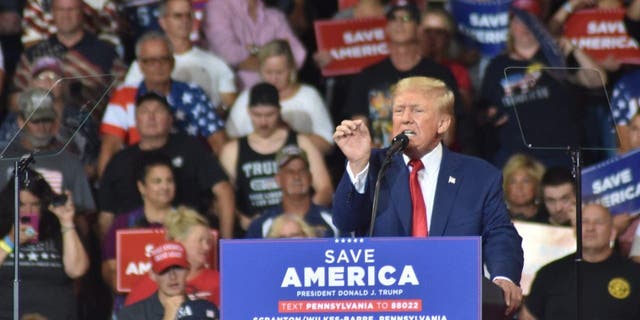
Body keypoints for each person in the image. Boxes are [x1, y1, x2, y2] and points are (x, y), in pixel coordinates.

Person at [333, 76, 524, 316]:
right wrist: (358, 164)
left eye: (417, 110)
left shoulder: (479, 176)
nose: (405, 118)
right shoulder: (373, 167)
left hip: (453, 303)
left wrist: (504, 277)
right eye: (399, 110)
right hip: (387, 306)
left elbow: (500, 233)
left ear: (443, 123)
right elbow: (344, 221)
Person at [478, 6, 605, 168]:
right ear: (510, 27)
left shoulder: (558, 58)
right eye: (520, 21)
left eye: (531, 21)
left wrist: (574, 48)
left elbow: (598, 80)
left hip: (562, 155)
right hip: (518, 159)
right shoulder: (497, 66)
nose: (526, 27)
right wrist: (489, 115)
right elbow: (482, 111)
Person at [98, 92, 234, 240]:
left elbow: (224, 191)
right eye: (144, 112)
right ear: (136, 121)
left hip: (188, 237)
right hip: (134, 242)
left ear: (170, 119)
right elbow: (106, 216)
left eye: (158, 111)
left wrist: (226, 244)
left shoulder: (191, 148)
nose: (151, 117)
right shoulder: (120, 161)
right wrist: (110, 256)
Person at [98, 31, 228, 177]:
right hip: (139, 177)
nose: (158, 66)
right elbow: (110, 147)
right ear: (140, 65)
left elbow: (219, 142)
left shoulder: (193, 93)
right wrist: (106, 190)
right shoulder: (124, 95)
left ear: (172, 62)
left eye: (163, 59)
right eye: (151, 61)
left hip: (190, 176)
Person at [341, 2, 462, 150]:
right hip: (381, 165)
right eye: (393, 19)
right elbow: (359, 131)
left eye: (406, 18)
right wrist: (382, 163)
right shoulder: (366, 77)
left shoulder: (439, 75)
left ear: (419, 29)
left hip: (427, 164)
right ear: (387, 28)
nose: (399, 23)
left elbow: (448, 132)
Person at [219, 82, 333, 235]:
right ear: (248, 112)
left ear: (279, 111)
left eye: (269, 115)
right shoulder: (232, 150)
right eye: (257, 115)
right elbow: (223, 196)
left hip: (299, 226)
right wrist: (241, 219)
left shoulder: (301, 142)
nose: (263, 122)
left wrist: (301, 217)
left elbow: (325, 188)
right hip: (254, 228)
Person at [520, 204, 640, 319]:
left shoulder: (634, 274)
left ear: (613, 233)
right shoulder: (550, 273)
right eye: (584, 222)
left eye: (598, 222)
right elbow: (528, 317)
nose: (590, 228)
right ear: (575, 231)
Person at [0, 169, 89, 319]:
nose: (28, 211)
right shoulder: (3, 230)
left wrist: (66, 222)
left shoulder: (58, 230)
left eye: (34, 204)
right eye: (21, 205)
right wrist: (10, 240)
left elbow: (77, 270)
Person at [11, 0, 126, 113]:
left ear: (82, 12)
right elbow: (13, 100)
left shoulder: (106, 53)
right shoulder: (34, 53)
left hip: (90, 126)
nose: (66, 15)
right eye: (60, 10)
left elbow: (123, 97)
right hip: (42, 125)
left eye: (71, 9)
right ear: (53, 13)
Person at [124, 0, 237, 114]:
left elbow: (230, 106)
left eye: (188, 15)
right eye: (178, 16)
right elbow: (128, 102)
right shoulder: (144, 64)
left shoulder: (216, 64)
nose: (185, 21)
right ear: (163, 22)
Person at [226, 39, 334, 154]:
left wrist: (288, 140)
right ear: (260, 70)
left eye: (279, 72)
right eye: (268, 72)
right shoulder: (246, 99)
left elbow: (327, 142)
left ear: (291, 69)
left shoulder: (309, 96)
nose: (274, 79)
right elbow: (231, 141)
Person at [0, 87, 96, 213]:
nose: (42, 127)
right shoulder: (3, 159)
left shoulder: (71, 163)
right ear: (21, 121)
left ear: (55, 122)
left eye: (46, 120)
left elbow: (84, 219)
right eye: (35, 120)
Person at [101, 154, 176, 315]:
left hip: (176, 307)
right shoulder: (123, 224)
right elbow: (111, 273)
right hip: (132, 308)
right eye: (157, 181)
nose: (165, 186)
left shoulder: (187, 223)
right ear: (142, 187)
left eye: (169, 181)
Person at [125, 206, 220, 306]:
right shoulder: (149, 285)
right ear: (178, 241)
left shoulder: (219, 282)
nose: (206, 247)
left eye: (208, 242)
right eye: (200, 241)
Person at [204, 0, 306, 90]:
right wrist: (277, 65)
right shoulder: (217, 7)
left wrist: (253, 51)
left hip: (279, 96)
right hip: (237, 98)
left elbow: (298, 54)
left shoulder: (274, 16)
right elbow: (229, 54)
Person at [246, 145, 337, 238]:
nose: (297, 177)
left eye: (302, 171)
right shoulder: (260, 226)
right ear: (278, 179)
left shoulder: (334, 221)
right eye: (290, 171)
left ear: (310, 177)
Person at [117, 241, 190, 320]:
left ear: (188, 269)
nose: (173, 276)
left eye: (177, 268)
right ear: (153, 275)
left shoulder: (203, 310)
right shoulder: (131, 315)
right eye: (164, 270)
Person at [502, 153, 547, 222]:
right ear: (505, 186)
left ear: (537, 185)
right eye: (513, 182)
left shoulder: (550, 218)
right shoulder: (496, 219)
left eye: (526, 181)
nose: (519, 188)